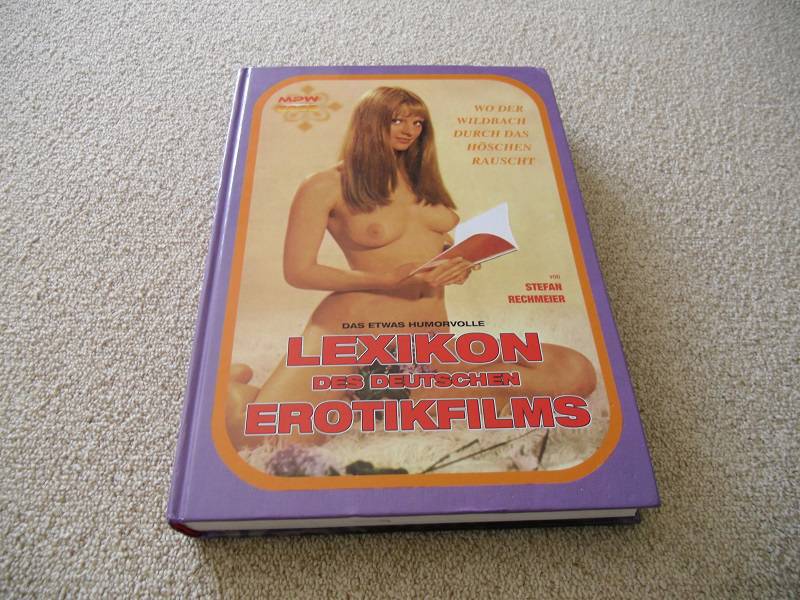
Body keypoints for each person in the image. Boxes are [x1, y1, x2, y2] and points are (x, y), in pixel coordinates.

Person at [226, 87, 596, 450]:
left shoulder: (421, 183)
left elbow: (429, 248)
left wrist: (460, 262)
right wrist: (385, 279)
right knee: (268, 438)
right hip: (353, 335)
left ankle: (378, 399)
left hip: (430, 341)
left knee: (574, 372)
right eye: (398, 120)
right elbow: (299, 271)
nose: (409, 130)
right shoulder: (326, 185)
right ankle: (240, 384)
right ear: (370, 122)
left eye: (418, 122)